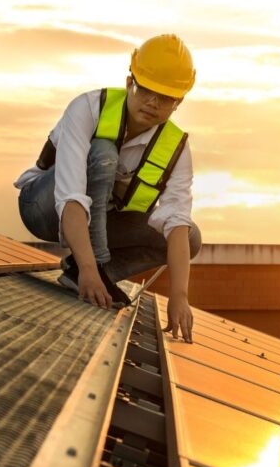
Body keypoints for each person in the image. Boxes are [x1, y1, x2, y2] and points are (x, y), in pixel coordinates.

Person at [14, 34, 200, 342]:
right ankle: (93, 268)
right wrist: (91, 265)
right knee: (102, 153)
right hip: (43, 207)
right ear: (130, 81)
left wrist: (180, 295)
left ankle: (81, 274)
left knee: (190, 236)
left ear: (178, 103)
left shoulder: (177, 149)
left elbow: (177, 224)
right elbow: (71, 196)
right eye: (145, 90)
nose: (152, 102)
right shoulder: (88, 108)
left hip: (97, 223)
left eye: (165, 97)